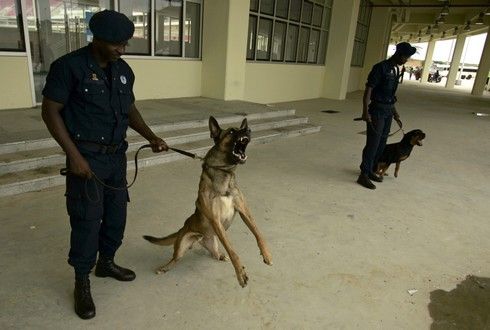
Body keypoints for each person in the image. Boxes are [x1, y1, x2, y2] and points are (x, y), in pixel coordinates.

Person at [41, 10, 169, 319]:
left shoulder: (123, 70)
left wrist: (151, 136)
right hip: (87, 157)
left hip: (115, 158)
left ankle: (106, 263)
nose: (122, 50)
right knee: (87, 221)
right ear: (97, 39)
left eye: (125, 44)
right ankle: (81, 281)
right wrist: (74, 156)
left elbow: (129, 109)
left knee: (116, 217)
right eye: (116, 44)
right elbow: (50, 111)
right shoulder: (68, 67)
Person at [357, 42, 416, 189]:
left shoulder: (396, 70)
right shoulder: (380, 68)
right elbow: (368, 90)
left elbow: (390, 94)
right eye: (406, 57)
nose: (406, 60)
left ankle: (371, 169)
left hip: (388, 111)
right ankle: (363, 174)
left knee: (382, 144)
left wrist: (394, 112)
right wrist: (365, 112)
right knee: (373, 143)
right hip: (377, 110)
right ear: (399, 54)